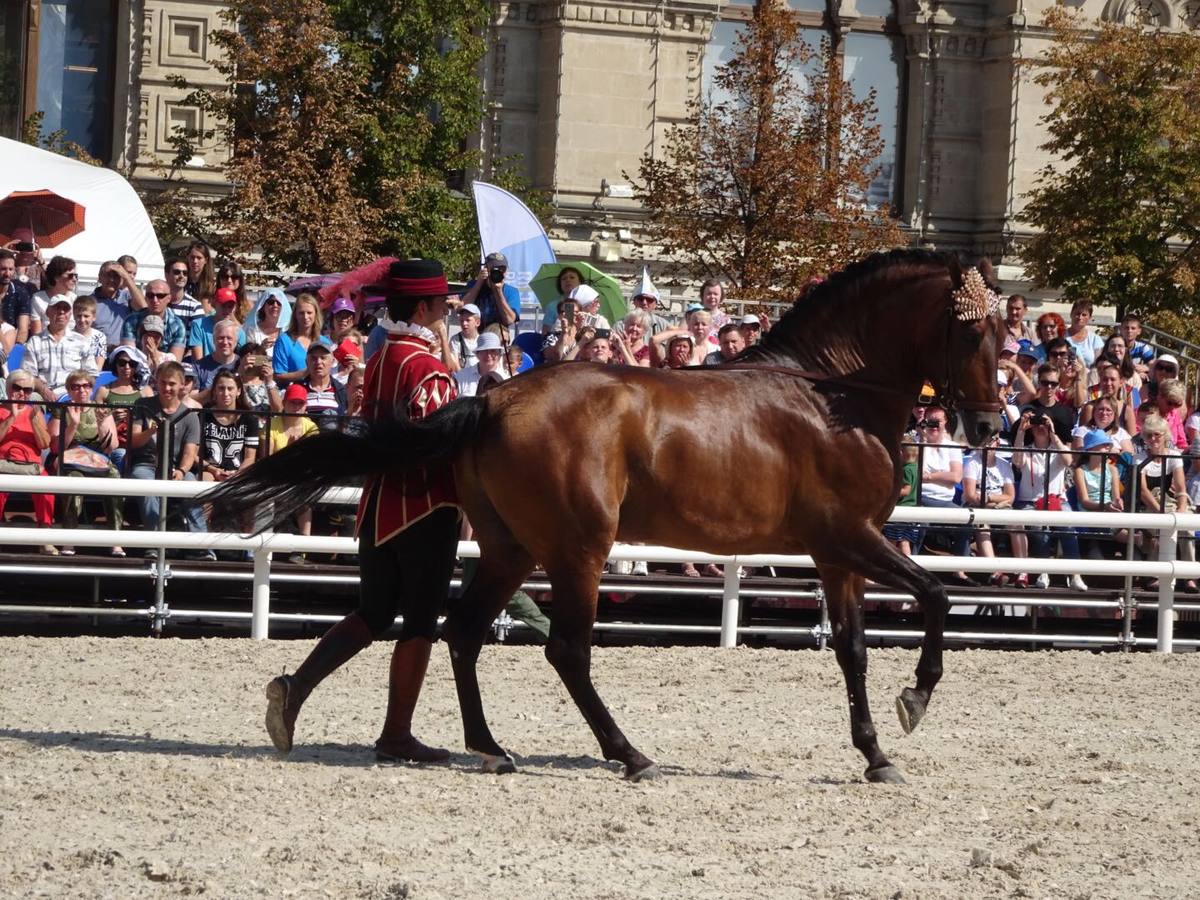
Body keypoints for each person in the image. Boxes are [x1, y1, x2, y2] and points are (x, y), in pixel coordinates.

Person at [263, 258, 461, 764]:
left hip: (376, 509)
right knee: (419, 621)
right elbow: (440, 447)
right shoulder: (429, 370)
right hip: (423, 508)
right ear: (422, 307)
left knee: (372, 612)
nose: (446, 310)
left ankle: (297, 686)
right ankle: (396, 734)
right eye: (441, 303)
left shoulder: (381, 361)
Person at [127, 360, 208, 556]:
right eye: (163, 383)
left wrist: (181, 471)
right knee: (146, 484)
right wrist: (151, 431)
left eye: (172, 383)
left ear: (181, 385)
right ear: (156, 382)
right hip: (146, 464)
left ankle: (201, 545)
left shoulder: (190, 416)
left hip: (175, 467)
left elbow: (190, 452)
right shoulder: (143, 405)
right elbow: (133, 441)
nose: (167, 388)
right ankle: (155, 542)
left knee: (192, 486)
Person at [48, 369, 124, 557]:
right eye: (76, 386)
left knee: (115, 476)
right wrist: (73, 424)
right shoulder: (62, 410)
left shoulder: (101, 409)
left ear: (91, 388)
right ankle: (70, 539)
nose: (81, 390)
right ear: (69, 389)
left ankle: (116, 540)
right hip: (71, 459)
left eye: (86, 386)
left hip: (97, 458)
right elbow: (56, 447)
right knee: (73, 480)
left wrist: (101, 424)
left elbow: (112, 445)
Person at [1011, 410, 1084, 590]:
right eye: (1037, 425)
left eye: (1043, 424)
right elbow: (1017, 462)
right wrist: (1021, 431)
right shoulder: (1026, 450)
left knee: (1069, 526)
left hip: (1057, 500)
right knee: (1038, 527)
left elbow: (1068, 461)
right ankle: (1044, 571)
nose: (1040, 428)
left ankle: (1075, 574)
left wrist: (1053, 433)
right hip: (1030, 502)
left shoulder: (1058, 449)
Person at [1136, 413, 1197, 591]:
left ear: (1165, 435)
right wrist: (1161, 512)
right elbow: (1143, 491)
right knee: (1161, 525)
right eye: (1149, 435)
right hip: (1149, 505)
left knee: (1187, 526)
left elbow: (1180, 488)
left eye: (1157, 434)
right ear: (1144, 437)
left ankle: (1189, 577)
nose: (1153, 438)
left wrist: (1181, 509)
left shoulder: (1173, 456)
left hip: (1169, 503)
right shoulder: (1139, 458)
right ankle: (1157, 575)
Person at [914, 407, 973, 585]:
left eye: (937, 421)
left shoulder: (952, 447)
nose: (933, 426)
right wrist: (923, 438)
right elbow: (916, 474)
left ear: (945, 422)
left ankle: (959, 571)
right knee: (918, 522)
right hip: (921, 498)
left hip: (945, 501)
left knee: (967, 520)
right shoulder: (917, 443)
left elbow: (955, 477)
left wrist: (930, 476)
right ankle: (914, 569)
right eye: (929, 421)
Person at [0, 371, 57, 554]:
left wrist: (34, 421)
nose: (21, 393)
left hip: (30, 465)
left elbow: (44, 444)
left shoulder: (35, 411)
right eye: (17, 388)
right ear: (8, 388)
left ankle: (45, 537)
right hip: (3, 463)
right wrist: (11, 417)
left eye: (27, 390)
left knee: (46, 487)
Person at [961, 434, 1016, 586]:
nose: (987, 444)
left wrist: (989, 497)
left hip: (997, 505)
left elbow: (1010, 496)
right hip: (977, 506)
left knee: (1017, 523)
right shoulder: (972, 463)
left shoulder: (1004, 465)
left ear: (997, 443)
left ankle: (1022, 571)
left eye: (991, 440)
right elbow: (971, 495)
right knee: (982, 525)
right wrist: (996, 499)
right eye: (984, 440)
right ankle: (994, 571)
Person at [22, 294, 97, 399]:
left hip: (74, 395)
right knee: (32, 398)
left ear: (70, 314)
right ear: (47, 312)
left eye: (65, 309)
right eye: (57, 308)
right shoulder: (35, 342)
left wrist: (77, 391)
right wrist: (44, 390)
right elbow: (28, 375)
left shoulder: (81, 342)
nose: (61, 312)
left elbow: (91, 374)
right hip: (42, 395)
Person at [199, 370, 259, 485]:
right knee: (205, 481)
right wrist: (213, 470)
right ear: (215, 391)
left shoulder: (250, 419)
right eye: (221, 388)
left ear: (239, 391)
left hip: (239, 472)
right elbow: (195, 456)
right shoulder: (203, 416)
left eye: (230, 389)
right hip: (210, 471)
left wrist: (236, 474)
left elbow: (250, 458)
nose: (225, 393)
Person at [95, 345, 150, 472]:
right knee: (121, 456)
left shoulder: (145, 392)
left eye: (131, 364)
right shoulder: (103, 391)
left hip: (139, 443)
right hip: (113, 444)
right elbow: (95, 421)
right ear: (115, 365)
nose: (127, 367)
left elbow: (151, 421)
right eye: (122, 363)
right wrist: (110, 418)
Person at [458, 252, 519, 339]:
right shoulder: (473, 286)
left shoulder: (511, 292)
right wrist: (479, 283)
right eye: (494, 269)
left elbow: (509, 320)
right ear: (486, 269)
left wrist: (499, 292)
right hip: (474, 337)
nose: (499, 272)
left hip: (498, 338)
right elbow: (462, 308)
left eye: (503, 269)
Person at [121, 279, 187, 360]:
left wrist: (155, 357)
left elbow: (174, 364)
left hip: (164, 370)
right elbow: (128, 357)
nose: (155, 300)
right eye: (150, 295)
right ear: (145, 298)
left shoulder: (178, 326)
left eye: (160, 296)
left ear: (169, 298)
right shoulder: (131, 321)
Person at [273, 293, 330, 385]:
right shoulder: (284, 341)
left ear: (316, 314)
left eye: (309, 313)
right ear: (295, 315)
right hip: (292, 393)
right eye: (301, 313)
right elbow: (278, 376)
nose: (305, 317)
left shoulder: (324, 342)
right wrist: (304, 374)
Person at [90, 259, 146, 350]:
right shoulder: (89, 301)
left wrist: (127, 278)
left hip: (122, 357)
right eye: (108, 275)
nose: (112, 280)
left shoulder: (127, 297)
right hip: (97, 353)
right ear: (99, 278)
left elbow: (143, 308)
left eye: (116, 276)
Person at [881, 437, 921, 556]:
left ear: (902, 453)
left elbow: (906, 490)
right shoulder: (916, 468)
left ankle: (889, 565)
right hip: (911, 510)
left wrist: (890, 491)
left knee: (891, 541)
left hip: (902, 509)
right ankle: (908, 566)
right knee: (904, 542)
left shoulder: (906, 470)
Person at [297, 343, 347, 431]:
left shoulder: (341, 391)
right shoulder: (297, 388)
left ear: (332, 362)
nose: (318, 362)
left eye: (323, 358)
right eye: (313, 358)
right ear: (306, 362)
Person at [189, 286, 245, 359]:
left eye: (230, 307)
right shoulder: (198, 325)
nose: (227, 310)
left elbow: (239, 360)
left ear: (235, 308)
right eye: (223, 306)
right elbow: (198, 361)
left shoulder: (239, 332)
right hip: (204, 369)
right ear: (214, 304)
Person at [193, 318, 242, 399]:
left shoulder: (242, 364)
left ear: (236, 341)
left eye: (229, 338)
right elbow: (191, 401)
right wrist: (217, 388)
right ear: (213, 340)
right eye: (221, 338)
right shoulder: (199, 367)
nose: (225, 342)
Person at [30, 255, 79, 334]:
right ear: (57, 277)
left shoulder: (75, 299)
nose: (74, 279)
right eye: (70, 276)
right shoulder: (38, 298)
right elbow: (36, 333)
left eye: (75, 276)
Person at [453, 331, 506, 397]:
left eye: (493, 351)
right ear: (477, 354)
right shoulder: (462, 376)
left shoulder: (506, 379)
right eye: (484, 351)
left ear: (499, 354)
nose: (488, 355)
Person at [241, 287, 291, 356]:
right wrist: (261, 349)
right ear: (263, 306)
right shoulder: (252, 330)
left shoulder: (288, 331)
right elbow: (250, 359)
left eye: (279, 303)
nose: (275, 305)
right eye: (271, 302)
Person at [0, 249, 33, 344]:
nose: (7, 274)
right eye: (3, 269)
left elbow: (23, 330)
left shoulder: (21, 293)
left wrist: (15, 356)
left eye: (10, 269)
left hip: (9, 342)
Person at [165, 257, 206, 333]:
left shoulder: (195, 306)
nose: (181, 276)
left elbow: (197, 340)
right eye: (177, 272)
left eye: (185, 273)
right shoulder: (157, 300)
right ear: (166, 275)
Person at [1063, 299, 1105, 369]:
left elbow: (1099, 366)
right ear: (1071, 314)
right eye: (1077, 314)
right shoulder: (1062, 336)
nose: (1080, 317)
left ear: (1090, 317)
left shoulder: (1095, 339)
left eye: (1084, 315)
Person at [72, 295, 107, 372]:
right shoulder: (68, 336)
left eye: (86, 316)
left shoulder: (99, 337)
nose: (82, 320)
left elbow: (98, 366)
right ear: (73, 316)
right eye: (79, 316)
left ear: (94, 317)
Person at [184, 241, 216, 311]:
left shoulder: (213, 285)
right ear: (187, 258)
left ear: (206, 260)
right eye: (192, 257)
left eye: (199, 258)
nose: (195, 261)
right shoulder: (182, 281)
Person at [450, 303, 482, 370]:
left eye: (468, 320)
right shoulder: (455, 340)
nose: (464, 323)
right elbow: (456, 366)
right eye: (462, 320)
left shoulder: (482, 340)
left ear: (477, 322)